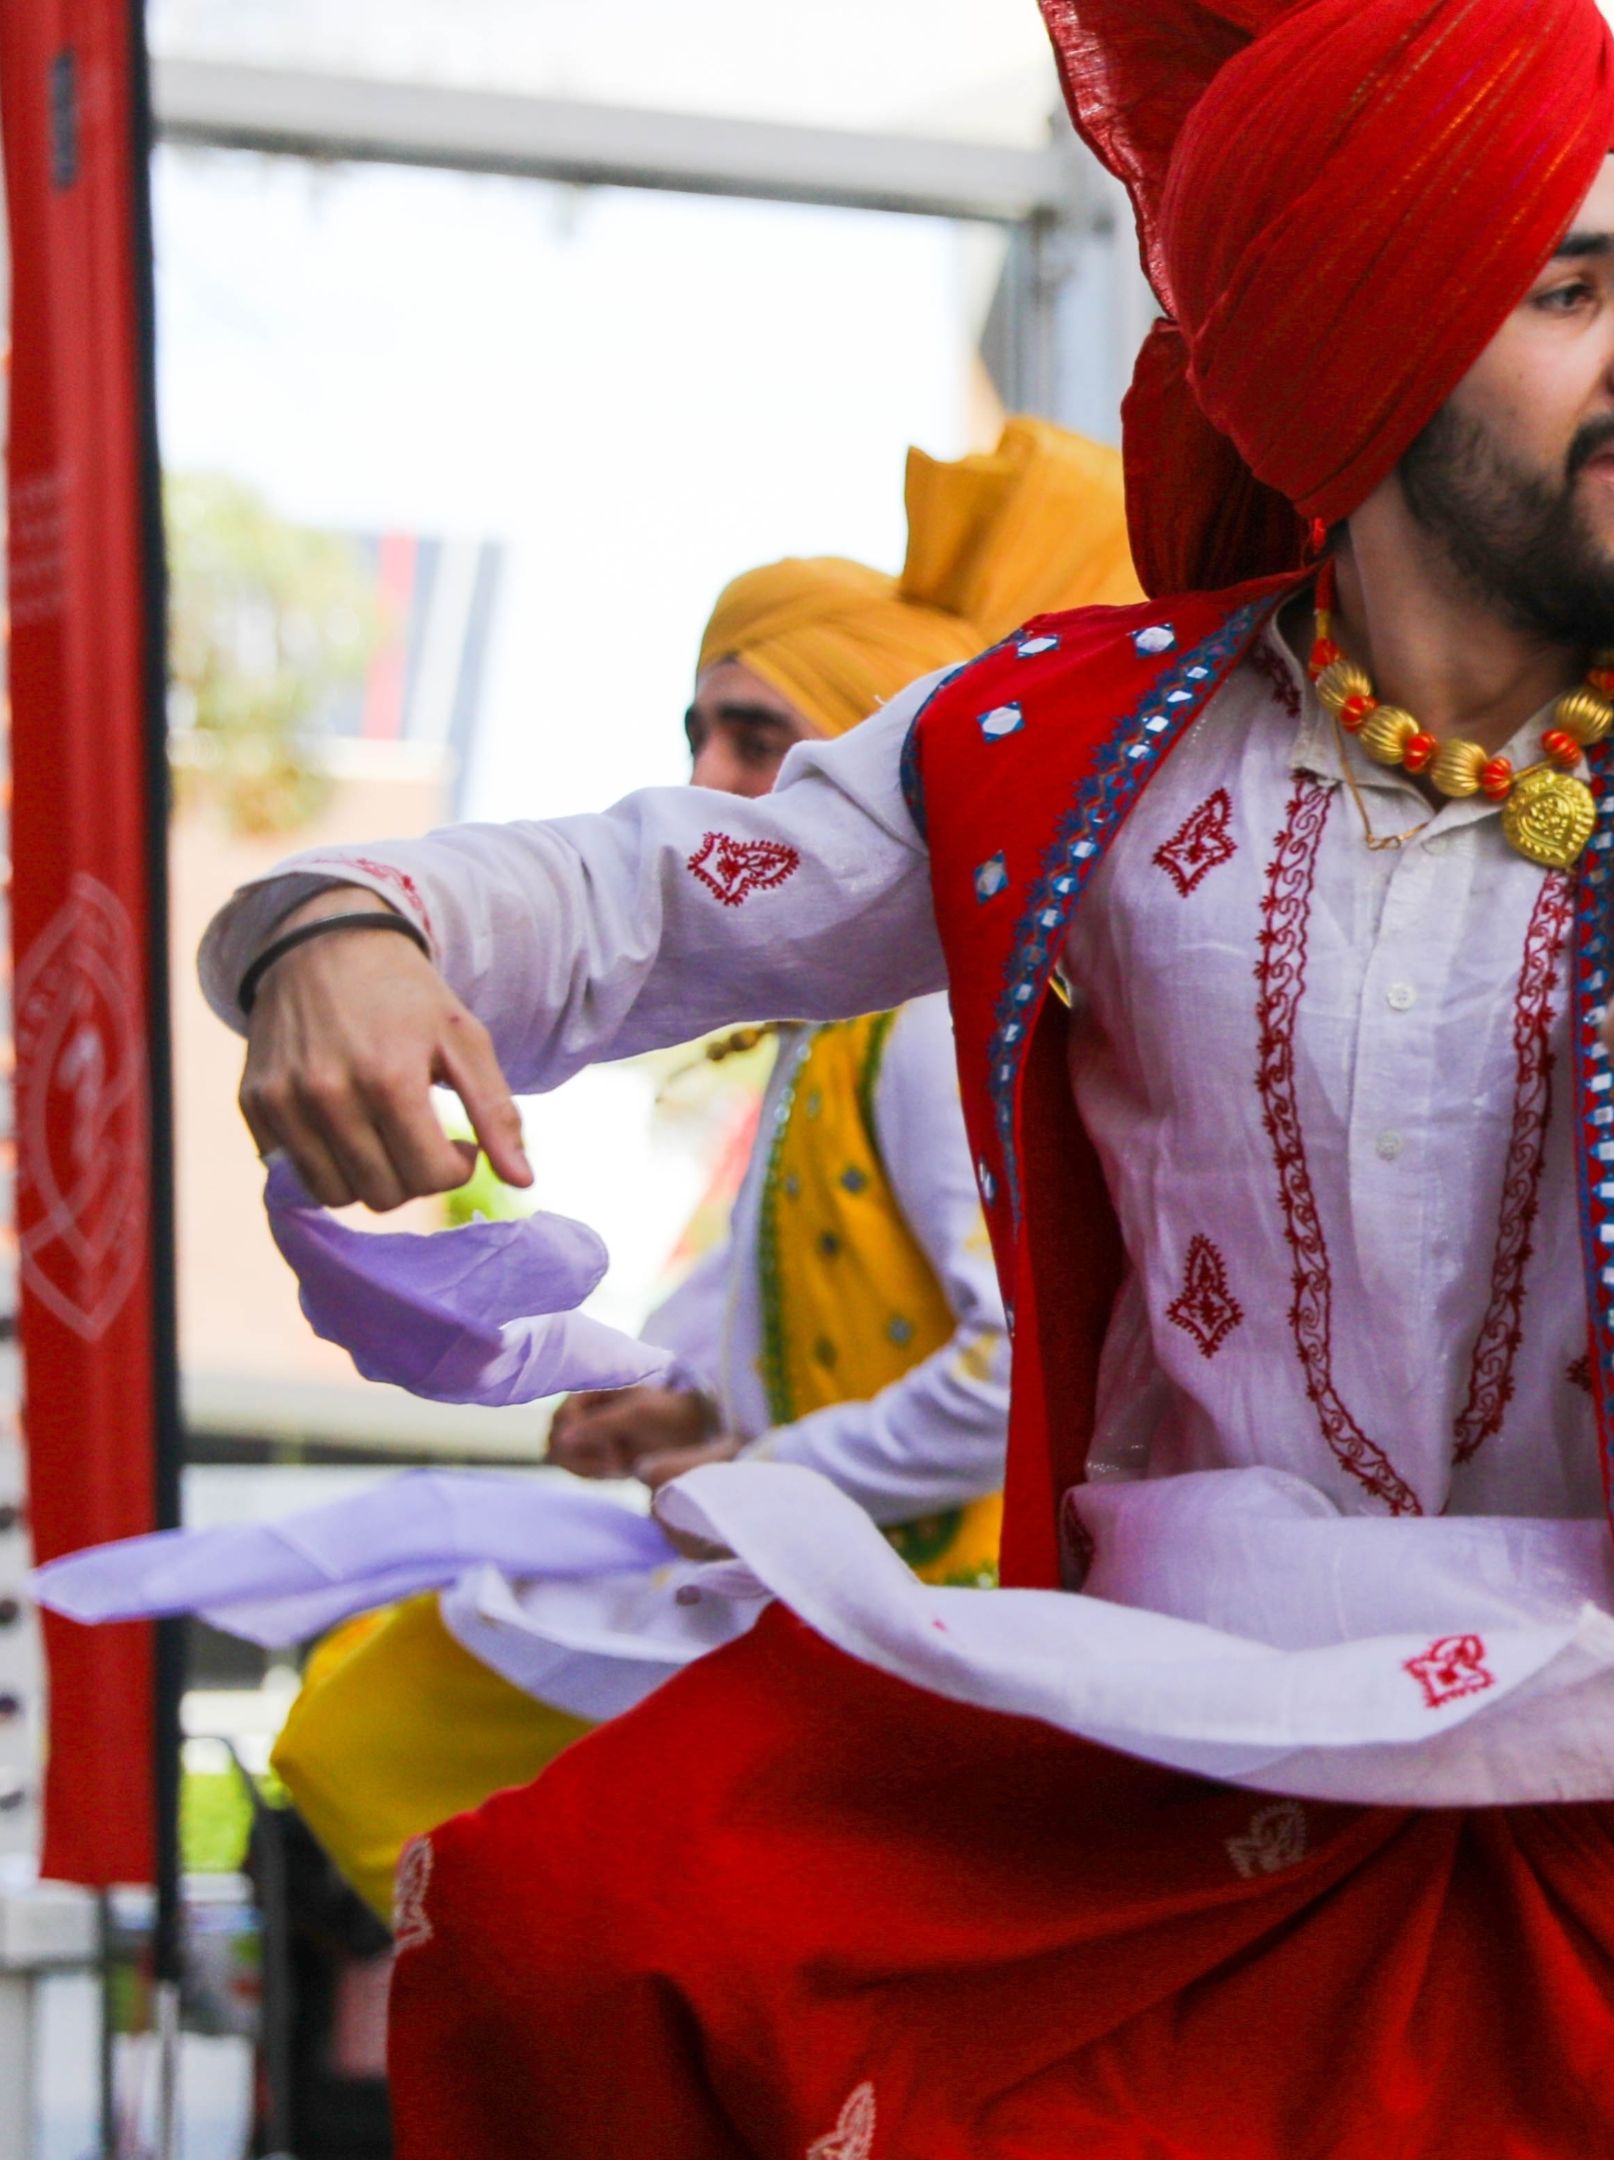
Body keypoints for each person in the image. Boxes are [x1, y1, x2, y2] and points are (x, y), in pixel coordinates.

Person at [200, 4, 1614, 2152]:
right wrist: (335, 928)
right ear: (1360, 358)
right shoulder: (1080, 744)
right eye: (1563, 290)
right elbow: (640, 899)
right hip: (1183, 1764)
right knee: (587, 1930)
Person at [261, 416, 1135, 1920]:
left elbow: (1010, 1360)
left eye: (757, 735)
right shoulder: (834, 1031)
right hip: (841, 1592)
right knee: (379, 1720)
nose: (708, 773)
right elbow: (819, 1320)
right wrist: (686, 1403)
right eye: (700, 732)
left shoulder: (921, 1017)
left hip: (933, 1616)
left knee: (384, 1740)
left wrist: (756, 1476)